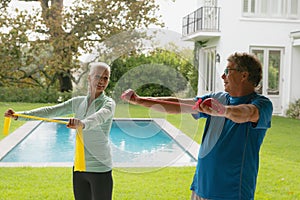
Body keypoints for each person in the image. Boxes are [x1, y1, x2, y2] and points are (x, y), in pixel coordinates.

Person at [121, 52, 273, 200]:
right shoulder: (217, 98)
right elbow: (177, 105)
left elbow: (247, 113)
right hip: (201, 187)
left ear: (244, 75)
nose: (223, 76)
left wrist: (223, 110)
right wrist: (140, 100)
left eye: (227, 71)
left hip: (232, 192)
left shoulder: (262, 104)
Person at [4, 62, 115, 200]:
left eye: (106, 78)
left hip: (100, 168)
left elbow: (99, 116)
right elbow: (51, 111)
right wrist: (18, 115)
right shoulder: (78, 102)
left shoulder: (108, 104)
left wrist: (82, 123)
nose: (102, 81)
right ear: (89, 78)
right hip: (80, 168)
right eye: (98, 76)